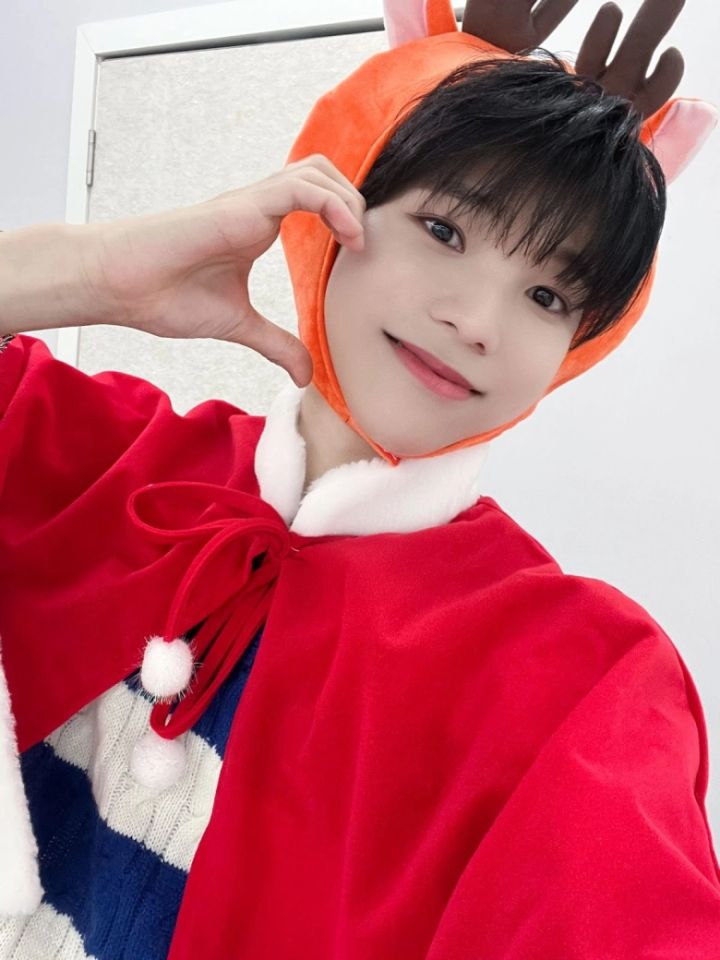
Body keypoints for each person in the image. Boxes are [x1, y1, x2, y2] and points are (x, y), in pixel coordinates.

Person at [0, 0, 718, 957]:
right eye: (446, 229)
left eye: (549, 294)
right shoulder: (99, 456)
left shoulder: (585, 680)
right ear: (332, 206)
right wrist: (97, 272)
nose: (478, 323)